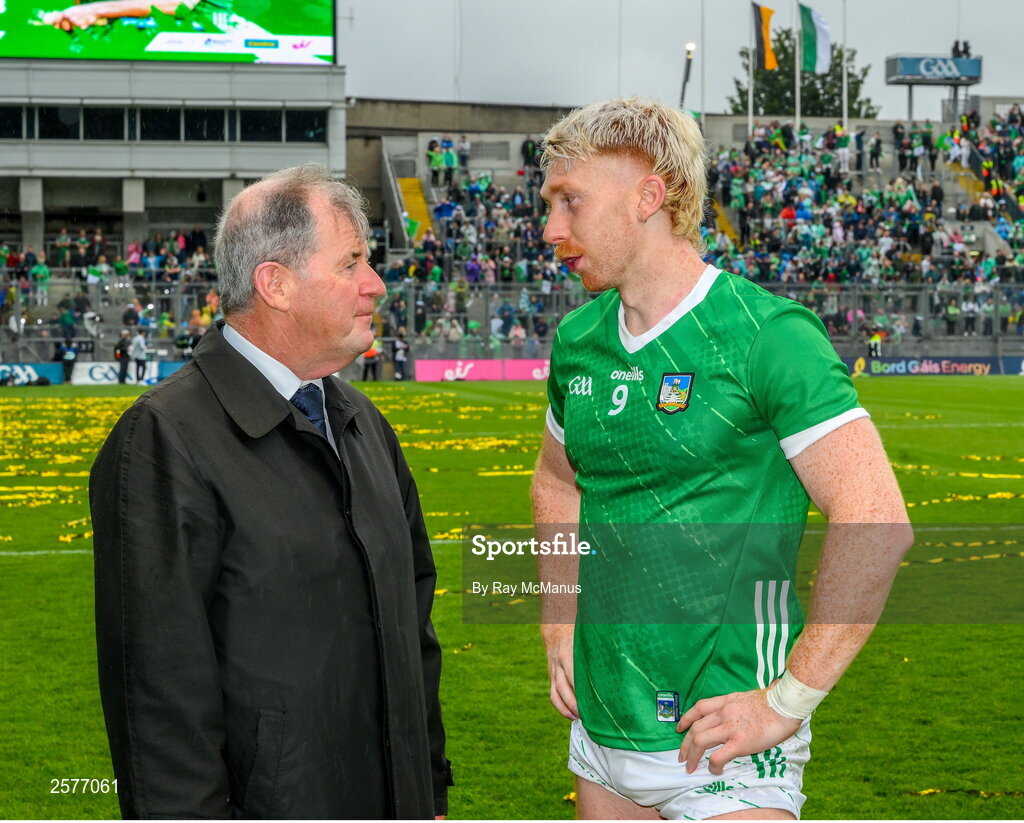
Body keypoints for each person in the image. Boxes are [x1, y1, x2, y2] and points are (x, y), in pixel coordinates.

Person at [531, 98, 913, 821]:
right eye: (550, 204)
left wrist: (787, 701)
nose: (551, 230)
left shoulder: (767, 335)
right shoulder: (578, 339)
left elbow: (876, 518)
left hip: (730, 750)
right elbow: (557, 480)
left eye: (569, 201)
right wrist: (558, 618)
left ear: (650, 194)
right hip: (602, 739)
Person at [90, 164, 452, 818]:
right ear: (275, 284)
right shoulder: (165, 439)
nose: (376, 284)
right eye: (350, 264)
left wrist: (428, 789)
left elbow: (412, 636)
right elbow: (159, 705)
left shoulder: (365, 424)